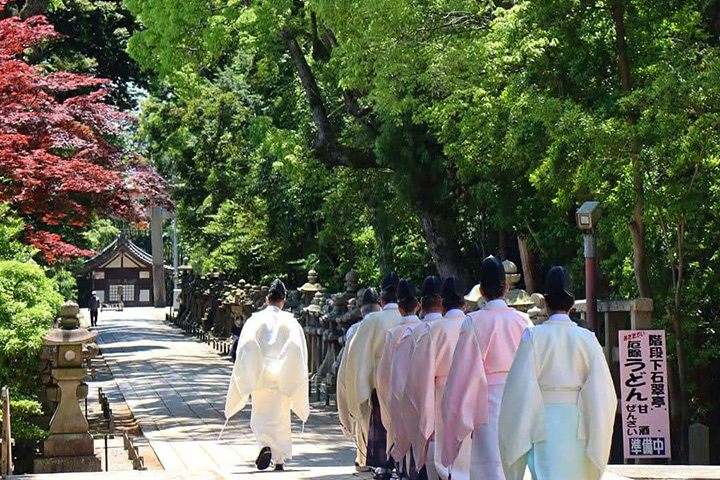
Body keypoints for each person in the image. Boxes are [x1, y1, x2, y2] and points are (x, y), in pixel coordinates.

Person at [498, 266, 616, 480]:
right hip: (578, 423)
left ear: (546, 302)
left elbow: (518, 392)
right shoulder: (587, 339)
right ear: (572, 305)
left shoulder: (533, 337)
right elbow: (604, 394)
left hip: (543, 421)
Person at [441, 256, 532, 480]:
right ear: (507, 288)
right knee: (516, 461)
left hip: (487, 400)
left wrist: (454, 412)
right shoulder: (524, 321)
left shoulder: (473, 321)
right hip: (520, 399)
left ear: (480, 290)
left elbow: (462, 374)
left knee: (490, 464)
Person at [224, 279, 309, 471]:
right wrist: (293, 374)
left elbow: (246, 348)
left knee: (261, 414)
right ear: (283, 300)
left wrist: (249, 372)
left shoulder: (255, 321)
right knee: (281, 417)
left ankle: (264, 446)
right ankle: (279, 459)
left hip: (260, 375)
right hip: (283, 375)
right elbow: (297, 350)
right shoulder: (291, 322)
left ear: (266, 299)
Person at [404, 276, 472, 480]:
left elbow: (418, 378)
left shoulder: (432, 330)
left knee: (440, 450)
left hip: (439, 394)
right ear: (466, 304)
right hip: (472, 394)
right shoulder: (474, 326)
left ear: (442, 304)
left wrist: (423, 415)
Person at [342, 271, 403, 479]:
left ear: (382, 299)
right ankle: (403, 464)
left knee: (381, 423)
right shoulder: (410, 318)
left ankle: (383, 465)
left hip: (380, 382)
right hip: (406, 381)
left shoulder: (373, 320)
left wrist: (362, 387)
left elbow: (360, 356)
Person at [389, 276, 443, 480]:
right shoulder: (462, 327)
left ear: (422, 304)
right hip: (453, 399)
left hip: (420, 397)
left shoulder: (413, 334)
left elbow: (398, 381)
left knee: (424, 446)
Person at [338, 287, 382, 472]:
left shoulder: (355, 330)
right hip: (385, 378)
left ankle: (364, 458)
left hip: (363, 377)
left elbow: (349, 361)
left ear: (362, 312)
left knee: (363, 419)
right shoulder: (391, 323)